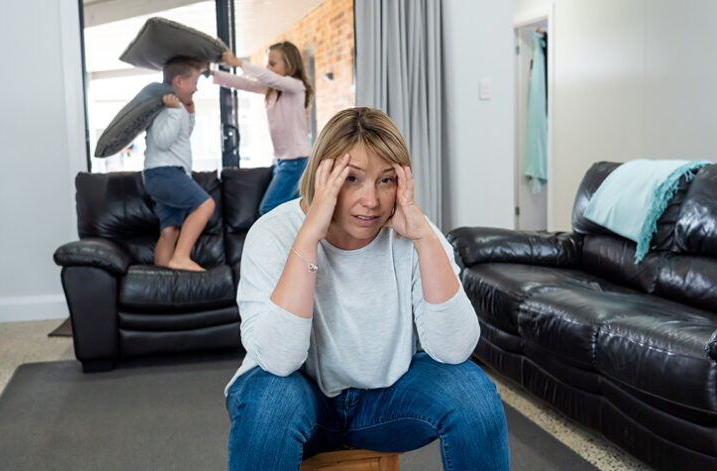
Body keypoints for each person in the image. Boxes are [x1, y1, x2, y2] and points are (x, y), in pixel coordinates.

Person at [225, 107, 510, 470]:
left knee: (472, 393)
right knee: (270, 400)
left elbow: (454, 351)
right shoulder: (271, 234)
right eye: (351, 179)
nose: (371, 201)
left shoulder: (417, 234)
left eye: (386, 180)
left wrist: (424, 239)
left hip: (385, 403)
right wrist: (309, 237)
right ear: (321, 178)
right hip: (299, 399)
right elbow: (279, 360)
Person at [212, 41, 314, 215]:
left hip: (296, 160)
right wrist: (211, 73)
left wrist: (239, 63)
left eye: (272, 64)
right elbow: (243, 83)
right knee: (293, 210)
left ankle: (297, 240)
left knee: (268, 209)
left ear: (289, 65)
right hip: (283, 160)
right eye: (267, 63)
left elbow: (270, 77)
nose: (267, 68)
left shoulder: (296, 86)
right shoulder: (273, 90)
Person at [142, 56, 215, 272]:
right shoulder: (166, 107)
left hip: (162, 173)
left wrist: (190, 114)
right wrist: (175, 111)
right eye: (194, 83)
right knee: (206, 205)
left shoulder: (178, 108)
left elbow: (182, 136)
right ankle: (181, 257)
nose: (195, 90)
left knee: (169, 231)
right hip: (164, 173)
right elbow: (162, 141)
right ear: (179, 81)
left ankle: (162, 282)